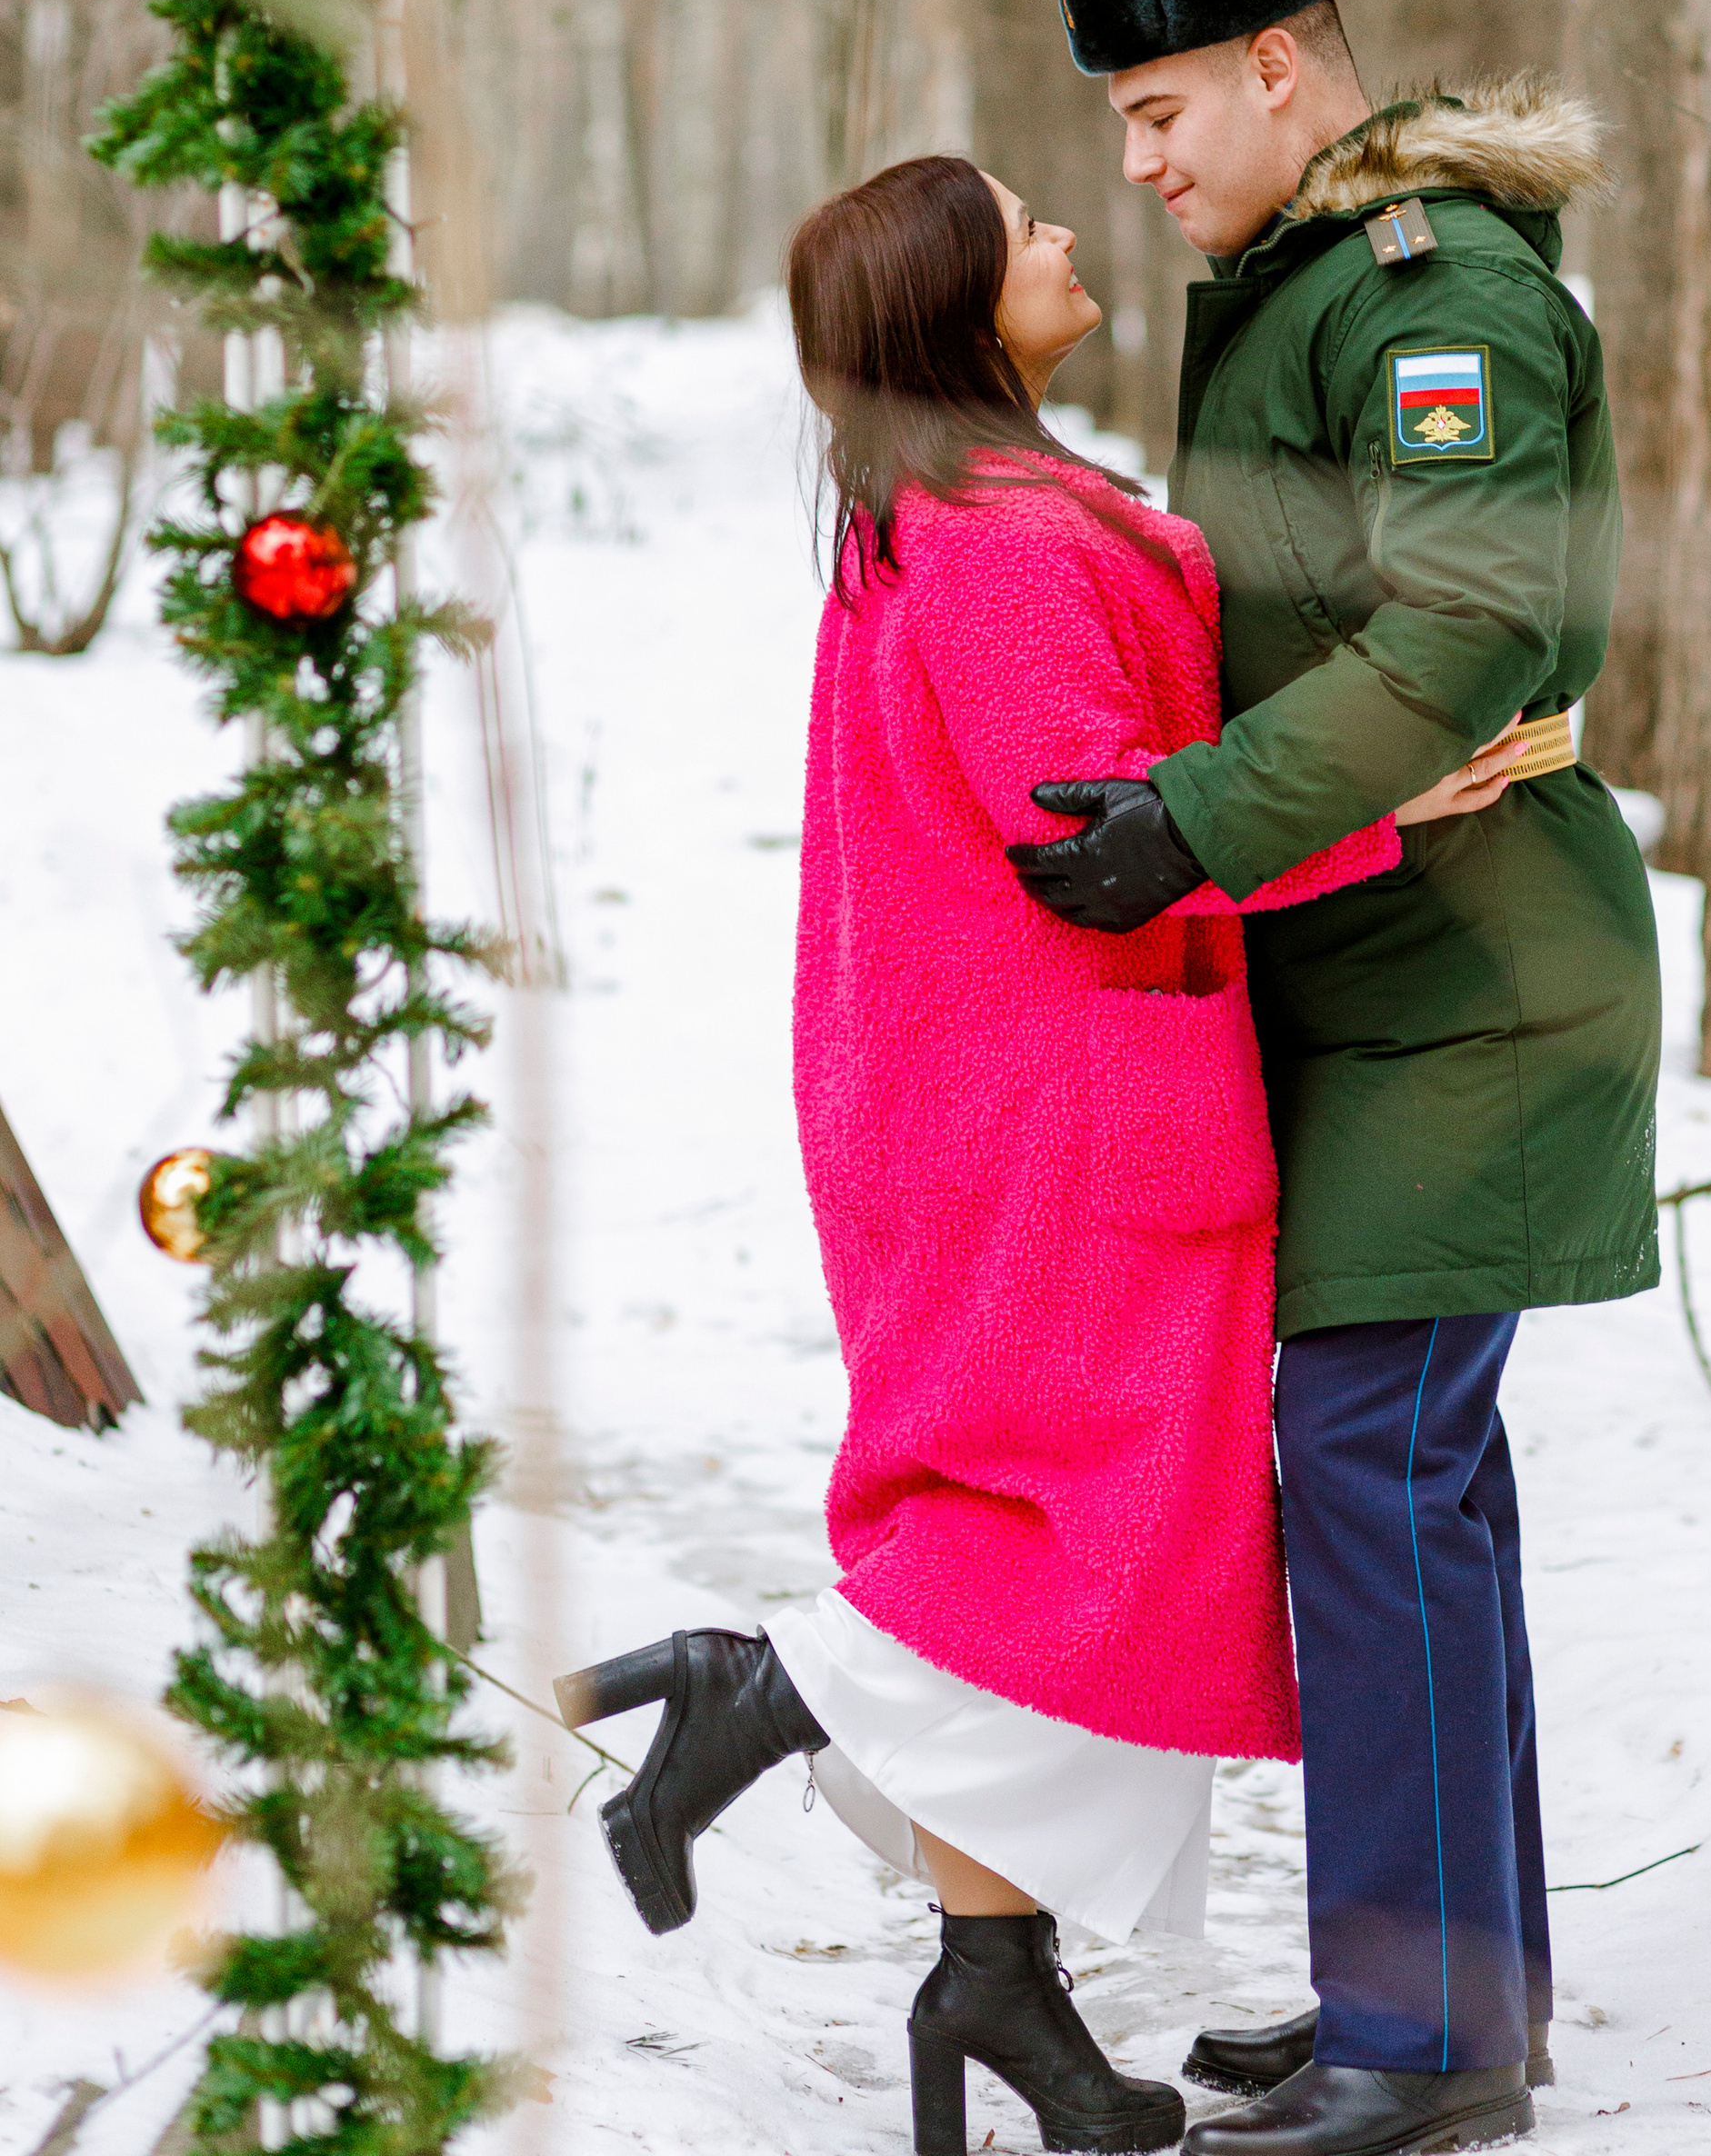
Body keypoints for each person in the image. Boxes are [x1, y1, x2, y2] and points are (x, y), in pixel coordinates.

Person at [556, 149, 1518, 2156]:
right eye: (1023, 230)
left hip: (1004, 1084)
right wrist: (1383, 808)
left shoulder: (959, 503)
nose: (1069, 232)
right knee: (1084, 1546)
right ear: (952, 305)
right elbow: (1086, 834)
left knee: (1040, 1518)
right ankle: (768, 1691)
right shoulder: (992, 538)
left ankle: (997, 1995)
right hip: (1051, 1106)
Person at [1016, 0, 1662, 2156]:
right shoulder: (1305, 284)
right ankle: (1449, 2002)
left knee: (1375, 1478)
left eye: (1164, 103)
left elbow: (1467, 620)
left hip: (1475, 973)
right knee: (1416, 1489)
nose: (1137, 159)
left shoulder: (1430, 291)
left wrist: (1193, 815)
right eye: (1115, 115)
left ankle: (1420, 2048)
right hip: (1383, 956)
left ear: (1281, 61)